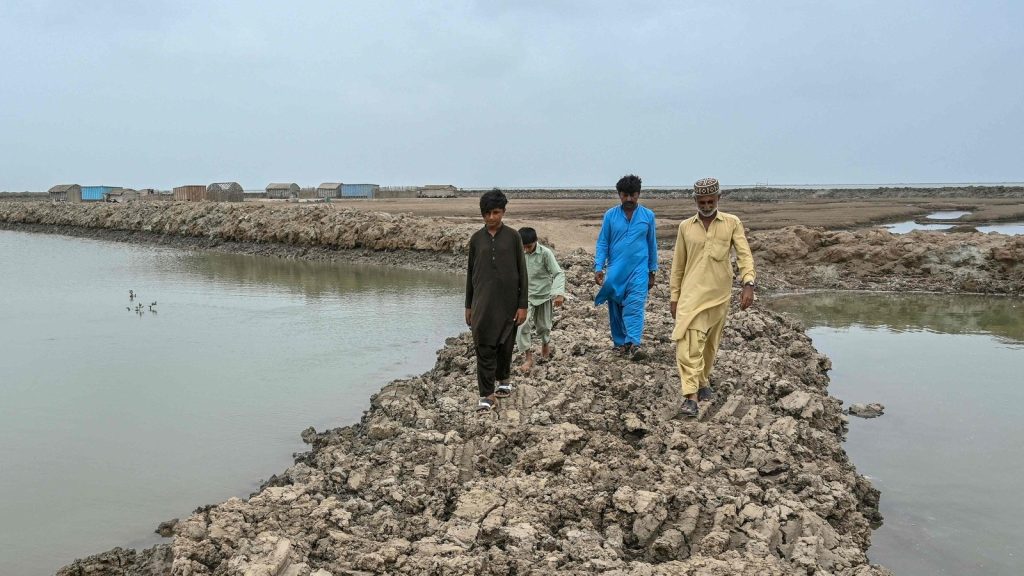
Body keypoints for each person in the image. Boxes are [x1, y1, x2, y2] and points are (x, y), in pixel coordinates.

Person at [669, 177, 756, 417]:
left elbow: (744, 255)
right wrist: (674, 297)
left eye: (710, 200)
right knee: (687, 342)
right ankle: (690, 396)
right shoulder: (685, 227)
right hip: (690, 295)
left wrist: (748, 283)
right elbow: (678, 265)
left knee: (709, 344)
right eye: (702, 201)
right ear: (695, 200)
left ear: (719, 198)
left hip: (719, 294)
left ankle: (703, 380)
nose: (706, 205)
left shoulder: (731, 223)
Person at [465, 189, 528, 413]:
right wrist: (468, 305)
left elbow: (522, 273)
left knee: (505, 345)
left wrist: (523, 305)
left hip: (508, 303)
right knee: (483, 344)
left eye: (496, 212)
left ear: (503, 212)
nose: (491, 218)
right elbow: (470, 274)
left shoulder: (513, 237)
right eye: (487, 213)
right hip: (482, 304)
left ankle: (503, 379)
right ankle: (486, 394)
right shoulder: (476, 240)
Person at [594, 174, 658, 360]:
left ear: (638, 194)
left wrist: (652, 270)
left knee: (635, 305)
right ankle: (620, 343)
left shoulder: (648, 216)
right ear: (619, 195)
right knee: (616, 307)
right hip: (616, 270)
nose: (629, 199)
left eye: (633, 195)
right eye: (625, 195)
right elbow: (603, 243)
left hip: (639, 270)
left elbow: (652, 244)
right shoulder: (610, 216)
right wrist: (599, 267)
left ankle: (633, 343)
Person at [515, 227, 566, 372]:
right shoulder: (517, 253)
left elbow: (558, 273)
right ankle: (528, 357)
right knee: (522, 325)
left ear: (535, 242)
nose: (526, 249)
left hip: (543, 295)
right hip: (525, 297)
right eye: (523, 247)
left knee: (544, 326)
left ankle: (545, 343)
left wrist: (558, 293)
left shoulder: (545, 253)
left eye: (529, 246)